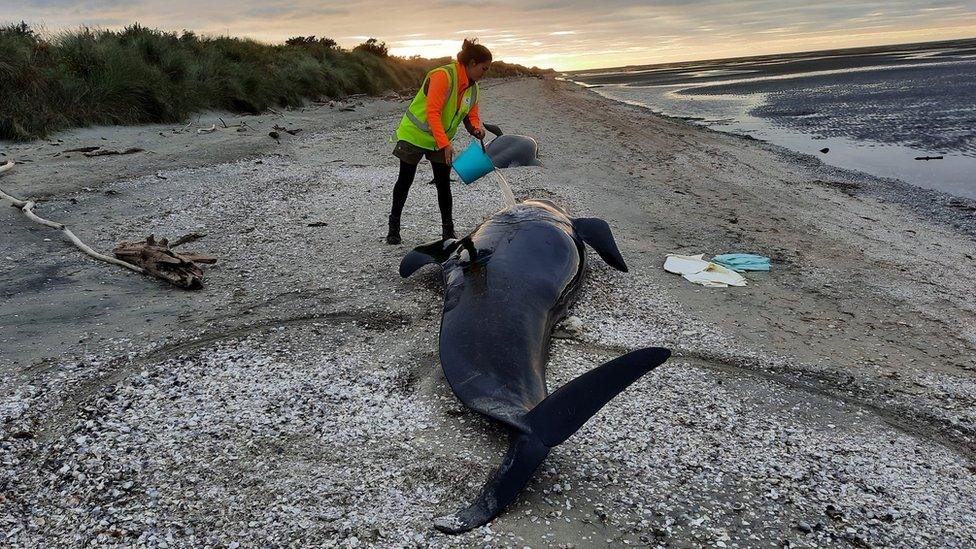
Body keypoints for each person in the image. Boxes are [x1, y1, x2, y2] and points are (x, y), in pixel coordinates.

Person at [386, 38, 492, 244]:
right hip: (414, 135)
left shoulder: (474, 88)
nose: (484, 73)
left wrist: (476, 129)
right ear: (471, 64)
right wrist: (445, 144)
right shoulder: (444, 76)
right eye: (484, 68)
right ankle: (394, 227)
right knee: (405, 180)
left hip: (439, 140)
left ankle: (448, 232)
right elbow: (432, 112)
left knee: (444, 184)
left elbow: (471, 115)